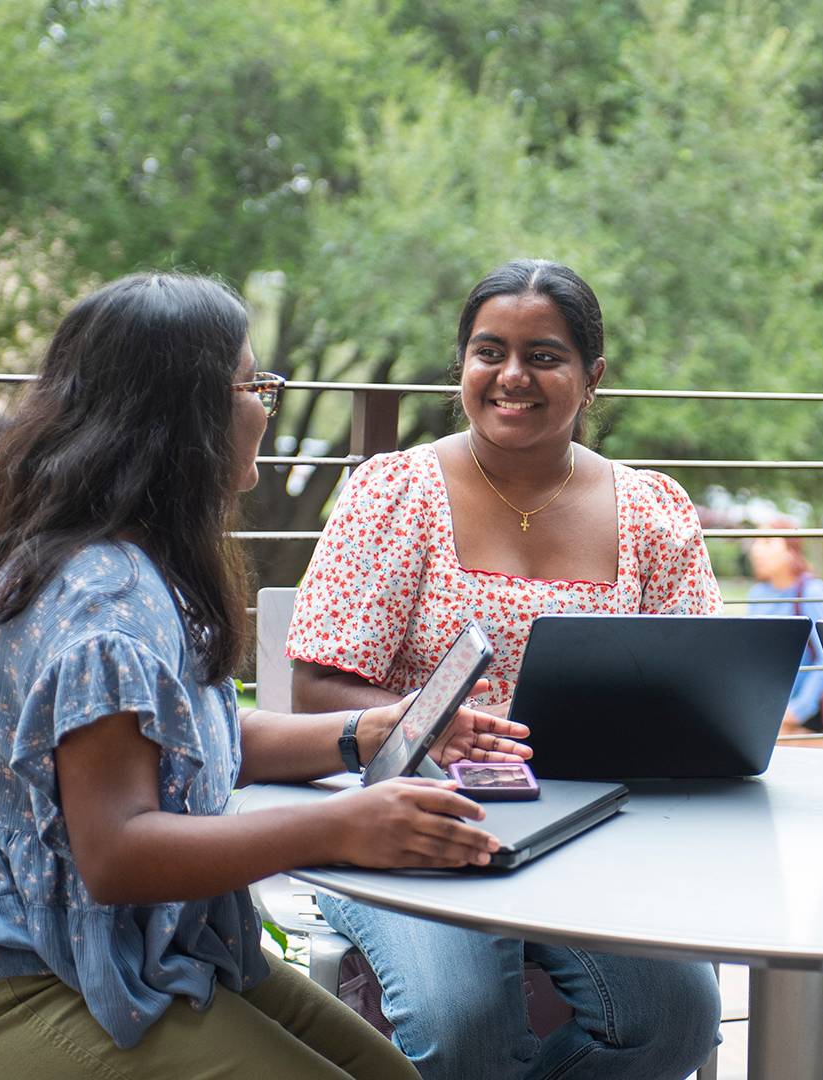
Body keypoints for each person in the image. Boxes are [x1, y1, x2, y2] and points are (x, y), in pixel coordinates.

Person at [0, 273, 534, 1080]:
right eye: (252, 385)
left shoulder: (116, 553)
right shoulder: (101, 598)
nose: (264, 406)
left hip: (109, 951)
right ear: (183, 414)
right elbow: (119, 853)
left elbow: (179, 737)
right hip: (1, 988)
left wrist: (367, 732)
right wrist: (344, 826)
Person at [285, 259, 724, 1080]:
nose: (512, 377)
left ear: (593, 377)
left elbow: (694, 686)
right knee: (464, 1027)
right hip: (414, 816)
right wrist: (435, 728)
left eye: (544, 356)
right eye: (490, 352)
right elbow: (316, 690)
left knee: (674, 1019)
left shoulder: (653, 512)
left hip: (593, 827)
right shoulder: (397, 493)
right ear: (462, 367)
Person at [744, 523, 823, 740]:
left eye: (767, 542)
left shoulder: (812, 592)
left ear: (791, 552)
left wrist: (797, 711)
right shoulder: (757, 594)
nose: (756, 550)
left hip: (801, 711)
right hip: (765, 705)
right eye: (755, 541)